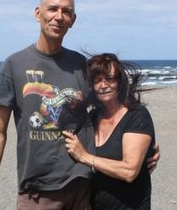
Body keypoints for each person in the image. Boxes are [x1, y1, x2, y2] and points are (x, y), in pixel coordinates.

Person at [0, 0, 159, 210]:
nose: (59, 16)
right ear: (38, 13)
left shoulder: (79, 66)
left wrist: (145, 144)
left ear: (72, 20)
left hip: (82, 187)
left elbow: (109, 110)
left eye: (66, 11)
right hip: (38, 191)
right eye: (52, 9)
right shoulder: (14, 65)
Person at [63, 53, 157, 209]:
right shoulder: (92, 117)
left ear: (120, 82)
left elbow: (129, 171)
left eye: (109, 79)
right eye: (97, 80)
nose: (103, 85)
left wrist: (85, 157)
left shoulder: (137, 115)